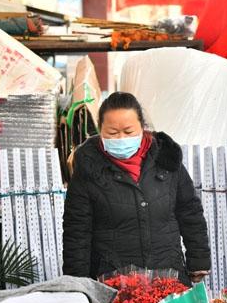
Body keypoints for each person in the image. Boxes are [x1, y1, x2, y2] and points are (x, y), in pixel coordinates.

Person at [63, 92, 210, 285]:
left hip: (168, 275)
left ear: (142, 128)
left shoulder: (166, 159)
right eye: (112, 133)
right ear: (100, 131)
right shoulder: (89, 169)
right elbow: (77, 230)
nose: (121, 138)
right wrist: (78, 284)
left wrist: (198, 260)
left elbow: (190, 212)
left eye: (129, 131)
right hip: (115, 281)